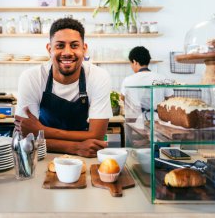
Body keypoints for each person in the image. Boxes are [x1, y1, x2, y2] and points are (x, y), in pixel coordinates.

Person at [14, 18, 112, 158]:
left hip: (84, 158)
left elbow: (97, 136)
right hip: (42, 157)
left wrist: (42, 131)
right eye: (60, 46)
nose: (67, 52)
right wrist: (76, 147)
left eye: (74, 45)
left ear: (84, 49)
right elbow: (26, 137)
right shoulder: (31, 77)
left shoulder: (98, 76)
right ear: (49, 49)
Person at [120, 46, 173, 119]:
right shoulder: (163, 78)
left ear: (135, 62)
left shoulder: (128, 80)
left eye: (131, 63)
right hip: (157, 120)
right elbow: (171, 100)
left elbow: (123, 98)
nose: (131, 66)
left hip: (135, 121)